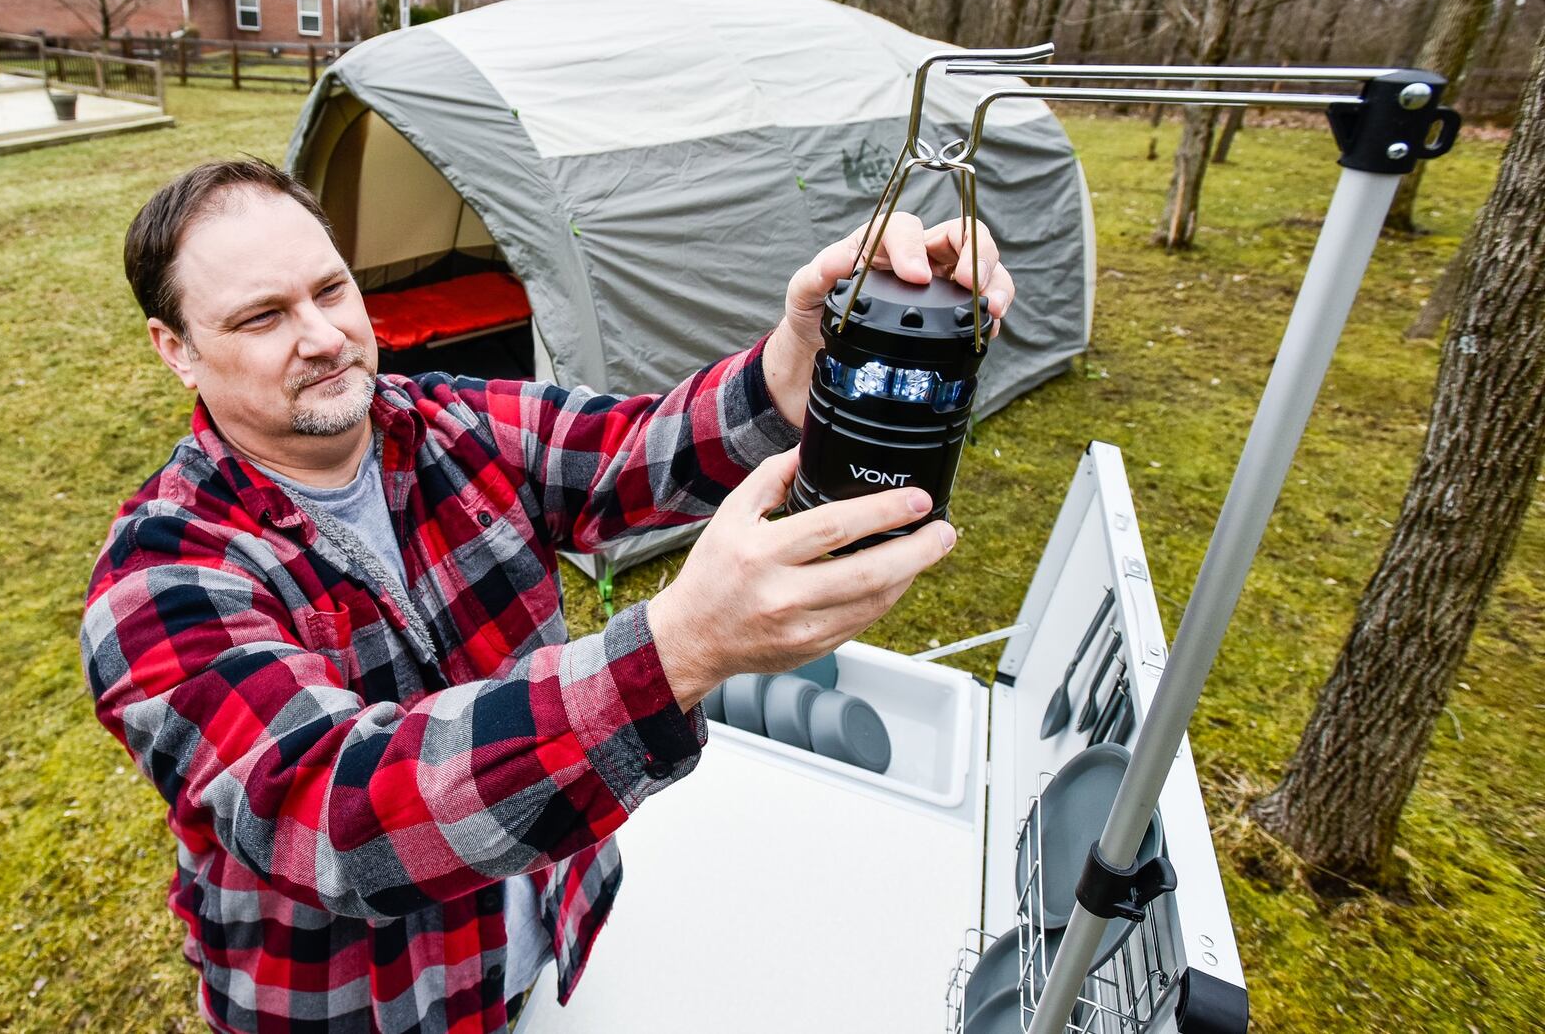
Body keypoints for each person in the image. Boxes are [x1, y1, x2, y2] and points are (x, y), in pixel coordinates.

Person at [81, 158, 1014, 1033]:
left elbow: (641, 449)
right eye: (262, 317)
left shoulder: (447, 423)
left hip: (538, 950)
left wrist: (796, 359)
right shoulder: (159, 577)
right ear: (177, 350)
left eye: (331, 289)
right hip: (361, 1007)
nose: (324, 336)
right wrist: (678, 648)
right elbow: (340, 816)